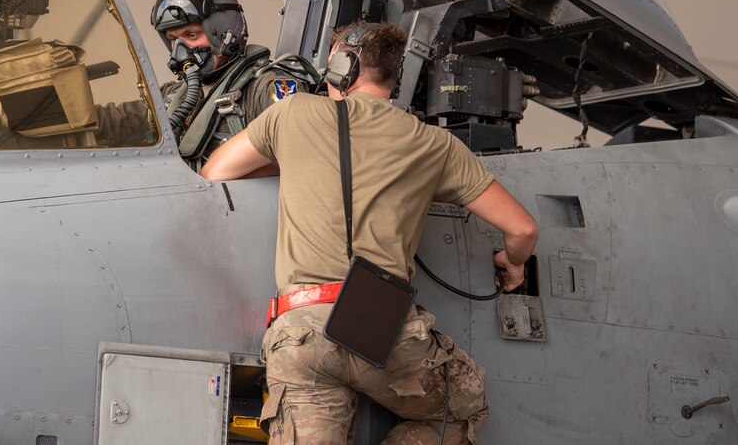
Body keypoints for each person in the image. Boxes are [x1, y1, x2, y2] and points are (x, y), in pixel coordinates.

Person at [201, 22, 538, 444]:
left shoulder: (292, 113)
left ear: (343, 66)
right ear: (396, 76)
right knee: (464, 407)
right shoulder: (435, 144)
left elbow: (214, 170)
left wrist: (296, 159)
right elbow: (523, 228)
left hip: (299, 331)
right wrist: (513, 263)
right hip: (382, 329)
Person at [99, 0, 312, 164]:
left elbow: (306, 156)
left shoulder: (266, 89)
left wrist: (218, 171)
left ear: (225, 34)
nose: (180, 49)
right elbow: (111, 121)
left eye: (191, 35)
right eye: (173, 39)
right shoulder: (171, 97)